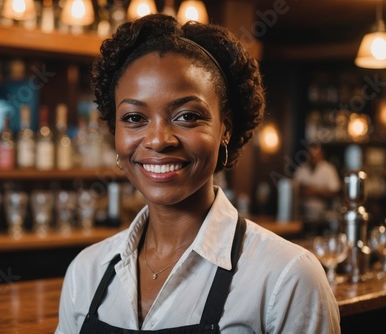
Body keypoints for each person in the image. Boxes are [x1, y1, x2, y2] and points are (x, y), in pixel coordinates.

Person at [56, 14, 340, 333]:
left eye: (187, 116)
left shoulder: (287, 277)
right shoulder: (86, 272)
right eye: (135, 118)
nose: (158, 140)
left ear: (225, 130)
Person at [293, 142, 341, 236]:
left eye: (316, 154)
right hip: (302, 215)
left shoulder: (328, 169)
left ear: (321, 155)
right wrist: (320, 190)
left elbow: (334, 192)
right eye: (311, 154)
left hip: (322, 215)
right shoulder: (302, 169)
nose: (313, 157)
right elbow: (295, 190)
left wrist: (313, 190)